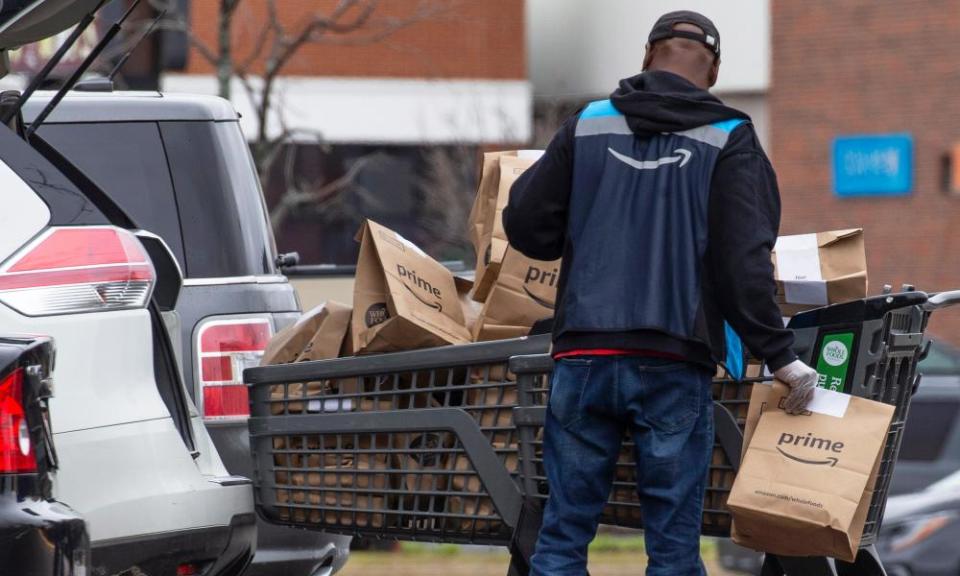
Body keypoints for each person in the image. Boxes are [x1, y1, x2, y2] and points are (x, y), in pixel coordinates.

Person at [503, 10, 818, 576]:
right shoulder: (730, 137)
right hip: (673, 362)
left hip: (583, 357)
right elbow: (743, 263)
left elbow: (526, 225)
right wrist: (781, 356)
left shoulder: (588, 123)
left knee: (564, 535)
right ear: (714, 71)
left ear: (647, 56)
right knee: (673, 550)